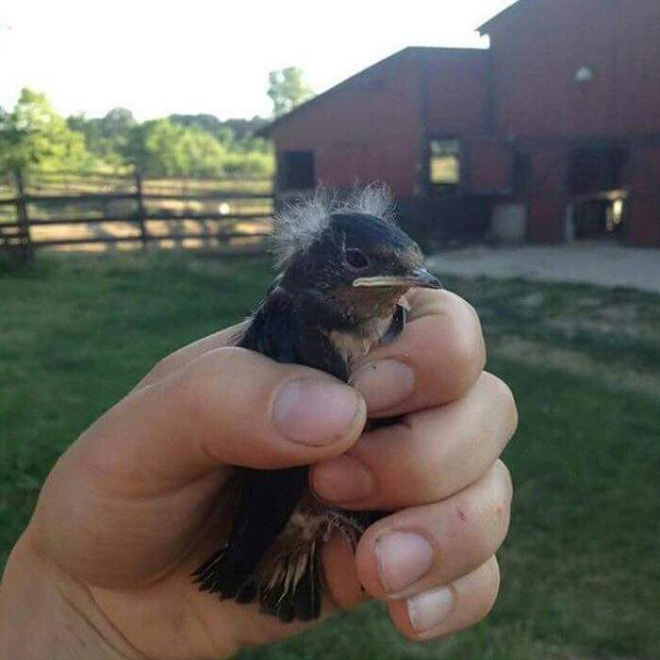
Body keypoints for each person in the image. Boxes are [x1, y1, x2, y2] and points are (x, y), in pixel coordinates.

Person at [0, 287, 517, 659]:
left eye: (406, 276)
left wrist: (80, 616)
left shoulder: (386, 320)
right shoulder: (294, 317)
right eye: (366, 267)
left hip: (305, 511)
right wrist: (80, 611)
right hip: (276, 500)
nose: (404, 283)